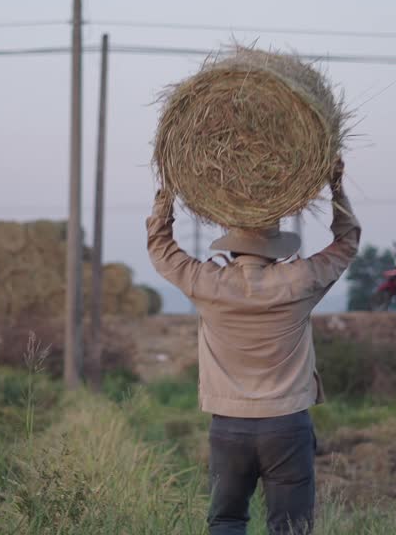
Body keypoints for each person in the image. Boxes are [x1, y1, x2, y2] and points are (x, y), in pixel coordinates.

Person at [146, 158, 360, 535]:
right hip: (288, 425)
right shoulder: (300, 280)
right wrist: (335, 186)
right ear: (277, 249)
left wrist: (168, 191)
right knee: (290, 527)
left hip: (228, 428)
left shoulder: (207, 283)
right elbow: (347, 242)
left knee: (227, 521)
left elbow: (161, 248)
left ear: (230, 248)